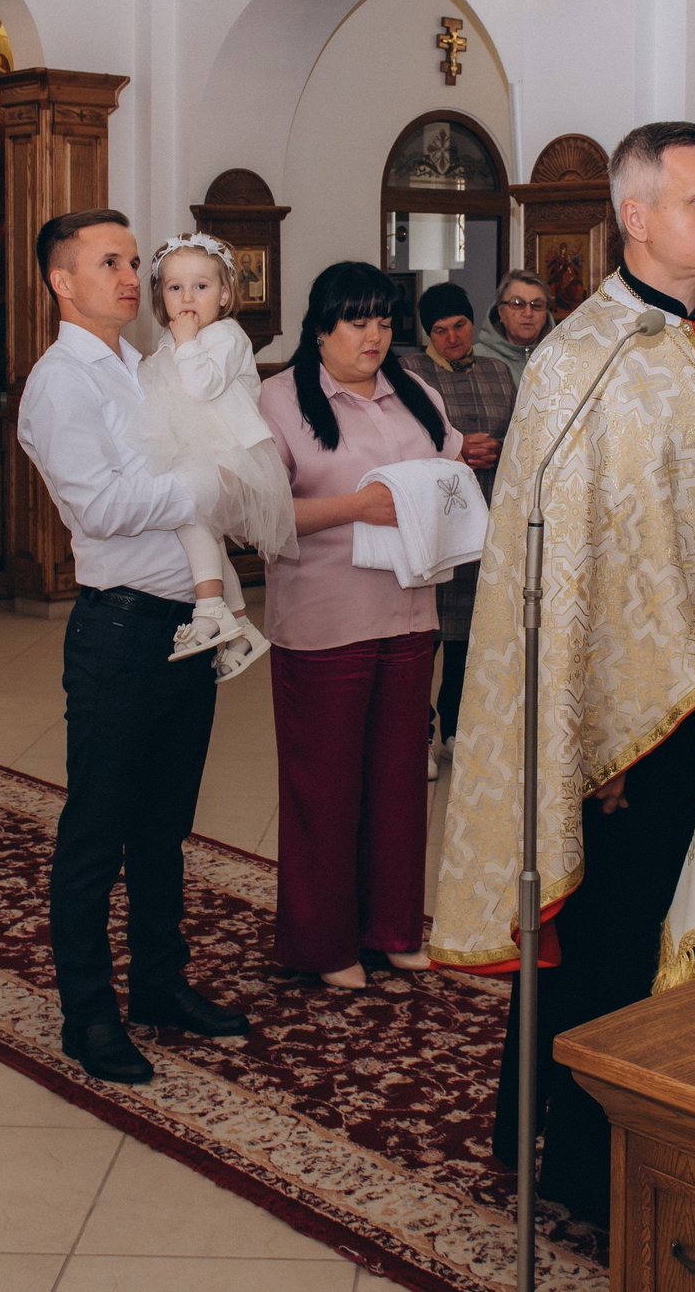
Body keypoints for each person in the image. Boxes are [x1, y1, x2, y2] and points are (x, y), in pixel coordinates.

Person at [428, 121, 695, 1226]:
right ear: (637, 215)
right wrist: (586, 728)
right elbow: (562, 552)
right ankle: (579, 1160)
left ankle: (693, 1131)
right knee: (617, 942)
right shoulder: (586, 357)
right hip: (634, 715)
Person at [17, 209, 250, 1085]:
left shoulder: (141, 366)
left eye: (129, 261)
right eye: (108, 262)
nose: (130, 276)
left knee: (164, 824)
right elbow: (102, 508)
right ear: (61, 280)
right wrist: (206, 481)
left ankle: (159, 980)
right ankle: (88, 1013)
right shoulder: (60, 385)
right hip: (118, 627)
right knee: (98, 828)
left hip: (185, 624)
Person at [260, 262, 464, 989]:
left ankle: (393, 927)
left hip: (409, 612)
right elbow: (259, 516)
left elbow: (450, 468)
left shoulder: (415, 391)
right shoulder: (280, 401)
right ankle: (322, 942)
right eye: (357, 320)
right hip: (325, 618)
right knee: (328, 786)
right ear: (321, 327)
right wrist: (357, 506)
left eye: (383, 319)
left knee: (399, 781)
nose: (374, 334)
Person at [134, 232, 294, 673]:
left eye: (200, 286)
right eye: (174, 287)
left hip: (231, 453)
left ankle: (209, 610)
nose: (187, 297)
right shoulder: (172, 340)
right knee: (201, 527)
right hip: (195, 450)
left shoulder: (226, 334)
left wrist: (183, 342)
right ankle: (241, 627)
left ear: (224, 294)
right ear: (159, 295)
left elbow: (202, 385)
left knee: (188, 512)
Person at [399, 282, 515, 777]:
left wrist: (499, 449)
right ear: (428, 334)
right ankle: (418, 733)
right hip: (437, 521)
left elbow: (522, 432)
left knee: (472, 636)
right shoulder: (409, 373)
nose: (452, 338)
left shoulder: (497, 370)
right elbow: (401, 442)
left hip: (489, 519)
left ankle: (456, 728)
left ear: (475, 323)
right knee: (428, 637)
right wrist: (458, 450)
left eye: (460, 326)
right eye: (441, 330)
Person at [474, 268, 552, 386]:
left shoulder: (563, 359)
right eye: (517, 304)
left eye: (536, 305)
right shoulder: (475, 360)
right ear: (500, 312)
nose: (528, 313)